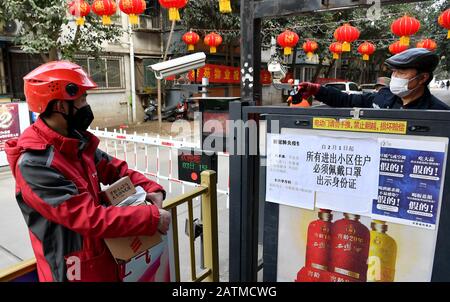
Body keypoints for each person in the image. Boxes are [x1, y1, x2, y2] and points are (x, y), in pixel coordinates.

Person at [4, 61, 171, 282]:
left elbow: (115, 169)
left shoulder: (75, 141)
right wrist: (150, 217)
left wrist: (151, 188)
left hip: (100, 257)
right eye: (82, 99)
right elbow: (88, 217)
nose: (86, 106)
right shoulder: (35, 164)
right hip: (70, 270)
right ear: (61, 106)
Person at [294, 48, 449, 110]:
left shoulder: (439, 113)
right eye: (393, 72)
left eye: (401, 72)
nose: (394, 77)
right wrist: (317, 90)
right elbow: (347, 100)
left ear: (422, 78)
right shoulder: (384, 96)